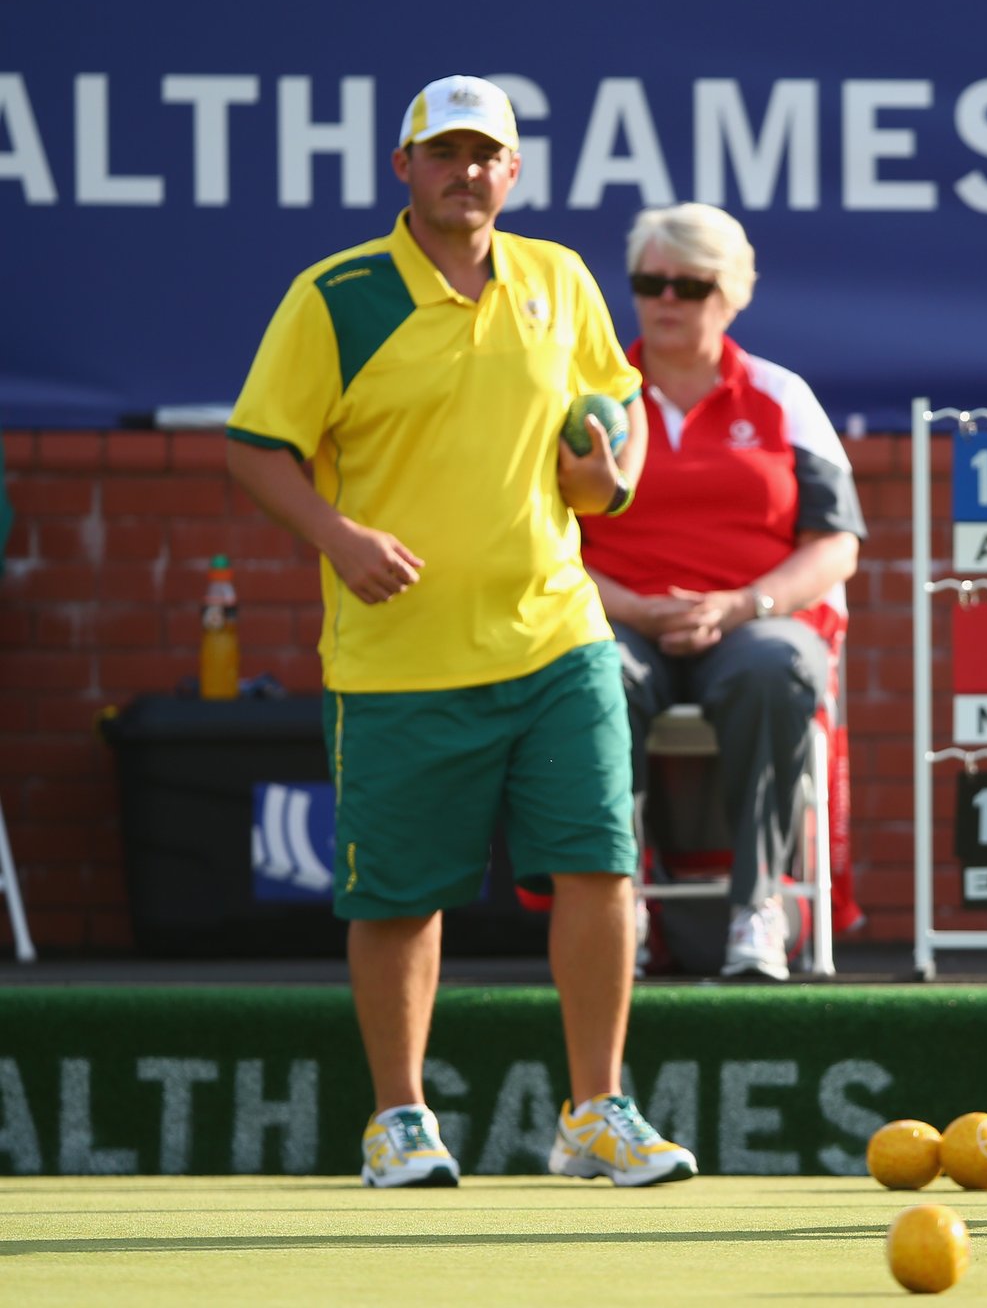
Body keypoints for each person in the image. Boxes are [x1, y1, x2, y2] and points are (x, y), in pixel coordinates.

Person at [225, 75, 697, 1191]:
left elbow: (610, 412)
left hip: (555, 639)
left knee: (600, 867)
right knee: (398, 897)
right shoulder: (333, 296)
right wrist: (338, 538)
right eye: (446, 152)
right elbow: (255, 448)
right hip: (397, 662)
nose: (467, 170)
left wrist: (614, 475)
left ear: (514, 173)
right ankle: (398, 1119)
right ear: (404, 167)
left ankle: (597, 1112)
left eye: (487, 154)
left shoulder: (561, 276)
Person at [581, 203, 865, 982]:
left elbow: (837, 543)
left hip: (751, 617)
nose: (667, 299)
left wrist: (743, 605)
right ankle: (618, 906)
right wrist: (631, 607)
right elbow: (543, 544)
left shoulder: (781, 395)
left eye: (691, 285)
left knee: (778, 667)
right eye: (650, 282)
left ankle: (758, 909)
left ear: (733, 294)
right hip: (617, 615)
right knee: (587, 674)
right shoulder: (591, 403)